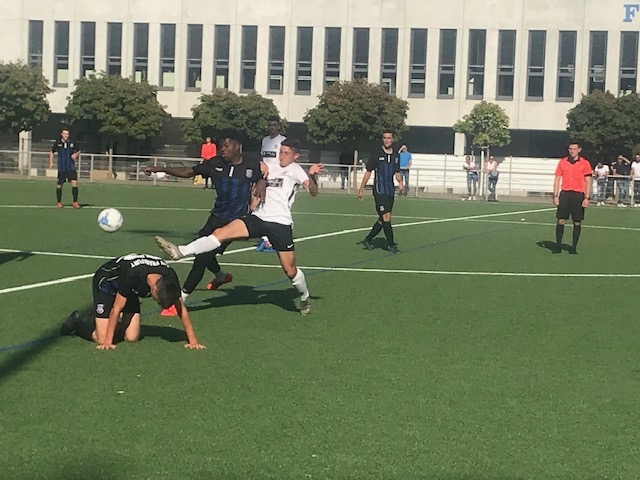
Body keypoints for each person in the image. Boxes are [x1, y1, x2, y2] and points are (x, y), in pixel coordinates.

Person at [154, 138, 324, 315]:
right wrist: (257, 189)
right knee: (220, 232)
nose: (282, 156)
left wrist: (312, 175)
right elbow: (256, 170)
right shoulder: (269, 165)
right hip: (258, 218)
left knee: (290, 271)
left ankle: (304, 296)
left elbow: (313, 191)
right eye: (280, 152)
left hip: (280, 224)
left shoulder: (296, 170)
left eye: (286, 153)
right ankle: (181, 251)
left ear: (295, 156)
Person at [144, 136, 266, 313]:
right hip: (215, 218)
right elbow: (189, 171)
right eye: (221, 146)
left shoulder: (252, 164)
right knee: (203, 251)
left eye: (227, 146)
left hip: (235, 222)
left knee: (201, 257)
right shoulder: (215, 163)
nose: (223, 149)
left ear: (237, 147)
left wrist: (262, 183)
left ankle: (180, 300)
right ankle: (221, 276)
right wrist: (161, 168)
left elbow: (264, 176)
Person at [60, 254, 205, 350]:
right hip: (107, 284)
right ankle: (77, 323)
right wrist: (108, 343)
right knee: (102, 338)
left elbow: (181, 308)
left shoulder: (169, 277)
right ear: (153, 289)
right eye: (156, 300)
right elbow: (117, 308)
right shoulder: (132, 274)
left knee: (131, 337)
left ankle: (104, 322)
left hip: (130, 290)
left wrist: (193, 341)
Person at [356, 130, 405, 254]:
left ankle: (368, 239)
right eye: (385, 138)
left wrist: (400, 182)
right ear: (382, 139)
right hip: (379, 190)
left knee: (382, 219)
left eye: (389, 138)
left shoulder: (396, 156)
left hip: (390, 190)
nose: (387, 140)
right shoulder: (376, 154)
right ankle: (391, 245)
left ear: (392, 139)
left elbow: (397, 172)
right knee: (386, 217)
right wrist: (361, 189)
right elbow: (368, 172)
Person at [551, 142, 592, 254]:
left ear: (579, 150)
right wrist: (555, 195)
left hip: (578, 195)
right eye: (570, 149)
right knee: (561, 220)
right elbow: (557, 179)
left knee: (577, 221)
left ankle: (573, 247)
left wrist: (587, 197)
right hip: (565, 194)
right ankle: (558, 246)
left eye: (574, 149)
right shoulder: (562, 162)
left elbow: (588, 181)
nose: (572, 151)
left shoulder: (585, 163)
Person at [49, 128, 81, 208]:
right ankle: (59, 202)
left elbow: (78, 150)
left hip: (71, 166)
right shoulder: (58, 143)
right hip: (62, 167)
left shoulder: (72, 142)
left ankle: (75, 202)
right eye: (64, 134)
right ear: (61, 134)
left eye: (67, 134)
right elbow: (52, 152)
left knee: (74, 183)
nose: (66, 135)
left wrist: (76, 154)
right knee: (59, 185)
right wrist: (51, 162)